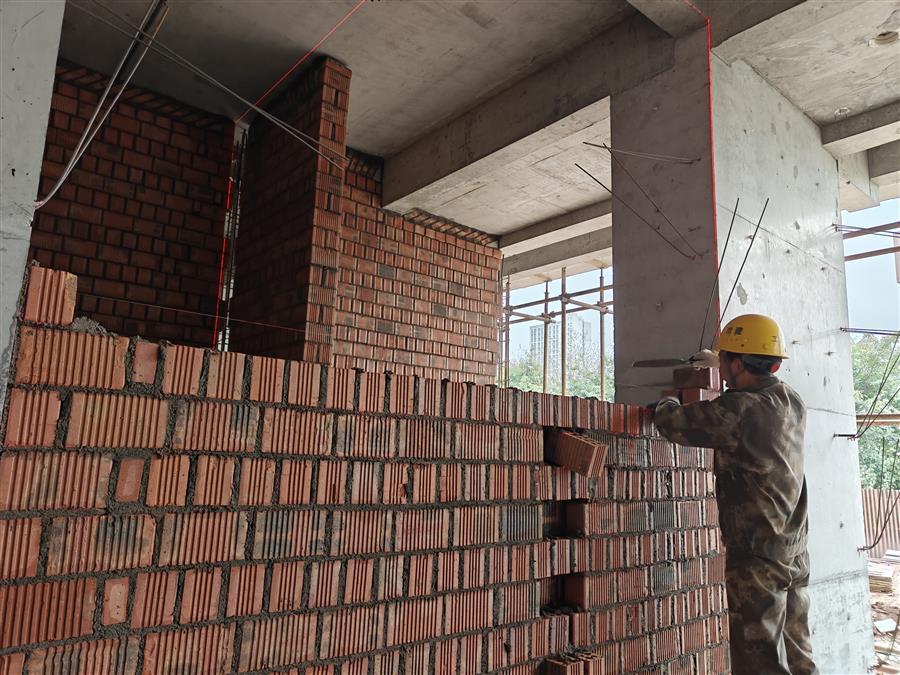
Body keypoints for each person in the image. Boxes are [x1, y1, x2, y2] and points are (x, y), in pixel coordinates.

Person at [652, 314, 818, 675]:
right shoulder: (791, 400)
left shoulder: (739, 411)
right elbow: (744, 396)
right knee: (799, 654)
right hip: (794, 549)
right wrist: (723, 362)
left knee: (760, 662)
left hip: (758, 557)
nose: (722, 367)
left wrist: (666, 402)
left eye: (726, 360)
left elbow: (673, 424)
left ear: (739, 364)